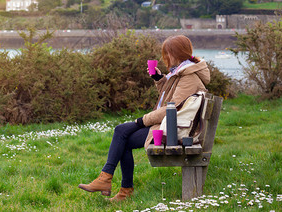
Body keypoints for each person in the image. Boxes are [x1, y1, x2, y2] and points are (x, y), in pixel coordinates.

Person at [78, 35, 210, 202]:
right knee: (121, 132)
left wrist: (142, 120)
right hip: (167, 123)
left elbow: (171, 108)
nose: (166, 57)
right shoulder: (182, 71)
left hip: (173, 129)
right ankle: (111, 182)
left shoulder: (188, 76)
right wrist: (159, 79)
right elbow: (170, 98)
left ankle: (114, 184)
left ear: (177, 53)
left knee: (122, 135)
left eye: (168, 53)